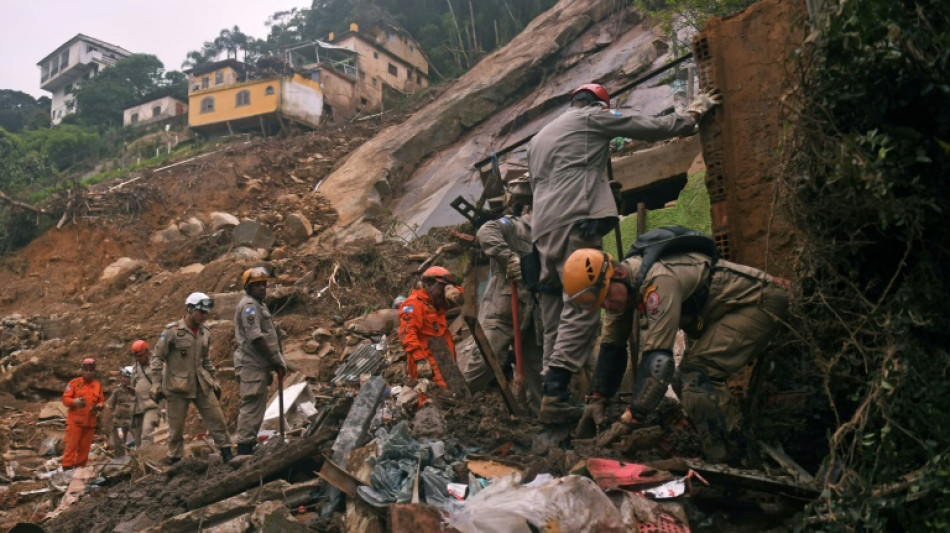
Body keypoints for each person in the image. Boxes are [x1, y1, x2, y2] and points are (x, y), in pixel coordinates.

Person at [527, 82, 721, 423]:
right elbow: (647, 127)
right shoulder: (592, 118)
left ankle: (550, 390)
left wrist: (600, 185)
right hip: (576, 222)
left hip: (542, 230)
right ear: (600, 106)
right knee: (586, 302)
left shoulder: (540, 137)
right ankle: (557, 393)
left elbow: (562, 175)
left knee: (554, 307)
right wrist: (692, 114)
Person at [562, 247, 789, 462]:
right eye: (600, 304)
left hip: (758, 302)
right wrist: (597, 399)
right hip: (722, 312)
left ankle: (731, 457)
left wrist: (631, 418)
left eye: (606, 297)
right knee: (686, 380)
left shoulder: (657, 281)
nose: (607, 306)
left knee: (696, 376)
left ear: (618, 273)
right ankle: (730, 440)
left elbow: (658, 363)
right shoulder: (622, 288)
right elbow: (612, 347)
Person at [463, 175, 543, 410]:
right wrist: (510, 258)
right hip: (502, 311)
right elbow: (486, 232)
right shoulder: (513, 226)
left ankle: (541, 416)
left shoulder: (548, 236)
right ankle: (455, 406)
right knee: (487, 361)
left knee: (536, 368)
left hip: (531, 314)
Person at [149, 292, 232, 464]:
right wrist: (156, 384)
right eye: (201, 312)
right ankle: (175, 459)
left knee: (217, 419)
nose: (204, 316)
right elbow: (157, 357)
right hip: (177, 387)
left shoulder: (205, 332)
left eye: (206, 313)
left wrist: (214, 380)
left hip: (201, 384)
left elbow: (206, 359)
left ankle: (227, 453)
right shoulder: (172, 332)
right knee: (176, 429)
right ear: (190, 309)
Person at [233, 267, 287, 456]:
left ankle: (248, 446)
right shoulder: (249, 305)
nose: (262, 288)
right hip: (251, 366)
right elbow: (256, 337)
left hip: (258, 366)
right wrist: (274, 361)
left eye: (264, 284)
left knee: (256, 409)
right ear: (248, 287)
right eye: (257, 285)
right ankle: (244, 450)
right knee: (251, 407)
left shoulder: (259, 304)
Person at [398, 266, 464, 389]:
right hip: (428, 362)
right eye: (442, 288)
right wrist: (420, 360)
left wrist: (451, 289)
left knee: (452, 395)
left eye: (446, 288)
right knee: (432, 398)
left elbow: (459, 299)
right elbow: (407, 334)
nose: (443, 292)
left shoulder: (436, 302)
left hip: (445, 360)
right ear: (429, 284)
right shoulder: (413, 304)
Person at [62, 358, 105, 469]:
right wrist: (74, 402)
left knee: (85, 449)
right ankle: (66, 468)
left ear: (94, 371)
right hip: (75, 422)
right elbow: (65, 399)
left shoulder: (97, 385)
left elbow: (101, 400)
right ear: (82, 370)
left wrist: (100, 406)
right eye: (86, 370)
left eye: (91, 370)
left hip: (90, 423)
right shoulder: (74, 383)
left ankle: (79, 469)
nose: (88, 372)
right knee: (71, 447)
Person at [130, 339, 160, 448]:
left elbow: (164, 384)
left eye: (139, 356)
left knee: (146, 433)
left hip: (152, 405)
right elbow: (133, 384)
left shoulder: (156, 365)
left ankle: (145, 459)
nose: (138, 359)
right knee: (137, 438)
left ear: (146, 352)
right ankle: (139, 461)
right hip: (138, 407)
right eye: (136, 356)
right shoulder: (135, 368)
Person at [107, 366, 135, 456]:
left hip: (133, 421)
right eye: (123, 377)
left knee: (139, 442)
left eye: (126, 377)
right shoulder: (118, 391)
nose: (123, 379)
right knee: (119, 444)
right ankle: (121, 462)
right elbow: (109, 405)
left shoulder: (137, 390)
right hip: (119, 422)